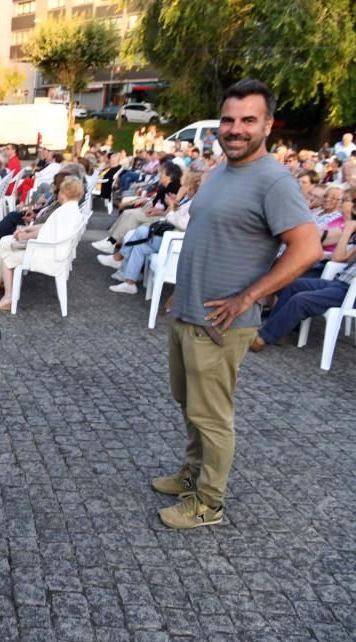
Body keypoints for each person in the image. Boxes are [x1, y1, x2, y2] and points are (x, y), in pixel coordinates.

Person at [155, 79, 322, 530]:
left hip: (222, 322)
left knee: (212, 415)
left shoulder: (274, 181)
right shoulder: (221, 172)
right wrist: (181, 288)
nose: (235, 129)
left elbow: (307, 250)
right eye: (228, 119)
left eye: (248, 120)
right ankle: (192, 473)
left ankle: (209, 502)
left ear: (267, 124)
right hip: (191, 310)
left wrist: (248, 297)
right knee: (188, 403)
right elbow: (207, 237)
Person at [0, 176, 86, 310]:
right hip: (51, 251)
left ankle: (8, 297)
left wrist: (24, 236)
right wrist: (27, 229)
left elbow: (45, 234)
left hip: (47, 254)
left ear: (65, 194)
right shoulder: (71, 210)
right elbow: (48, 227)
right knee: (6, 243)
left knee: (7, 255)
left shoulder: (65, 212)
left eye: (60, 191)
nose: (57, 193)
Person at [252, 216, 356, 351]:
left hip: (351, 293)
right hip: (340, 282)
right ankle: (278, 331)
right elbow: (339, 257)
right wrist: (348, 233)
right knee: (292, 285)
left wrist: (347, 231)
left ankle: (264, 337)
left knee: (301, 300)